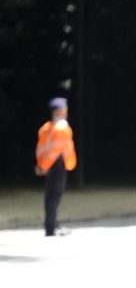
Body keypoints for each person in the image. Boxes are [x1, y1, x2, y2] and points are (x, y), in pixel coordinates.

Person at [34, 96, 77, 237]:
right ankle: (52, 227)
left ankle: (52, 224)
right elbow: (55, 150)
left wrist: (41, 165)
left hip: (50, 165)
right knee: (55, 196)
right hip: (58, 164)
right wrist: (45, 166)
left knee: (49, 196)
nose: (66, 111)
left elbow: (41, 149)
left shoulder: (46, 128)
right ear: (60, 110)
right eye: (64, 109)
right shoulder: (61, 128)